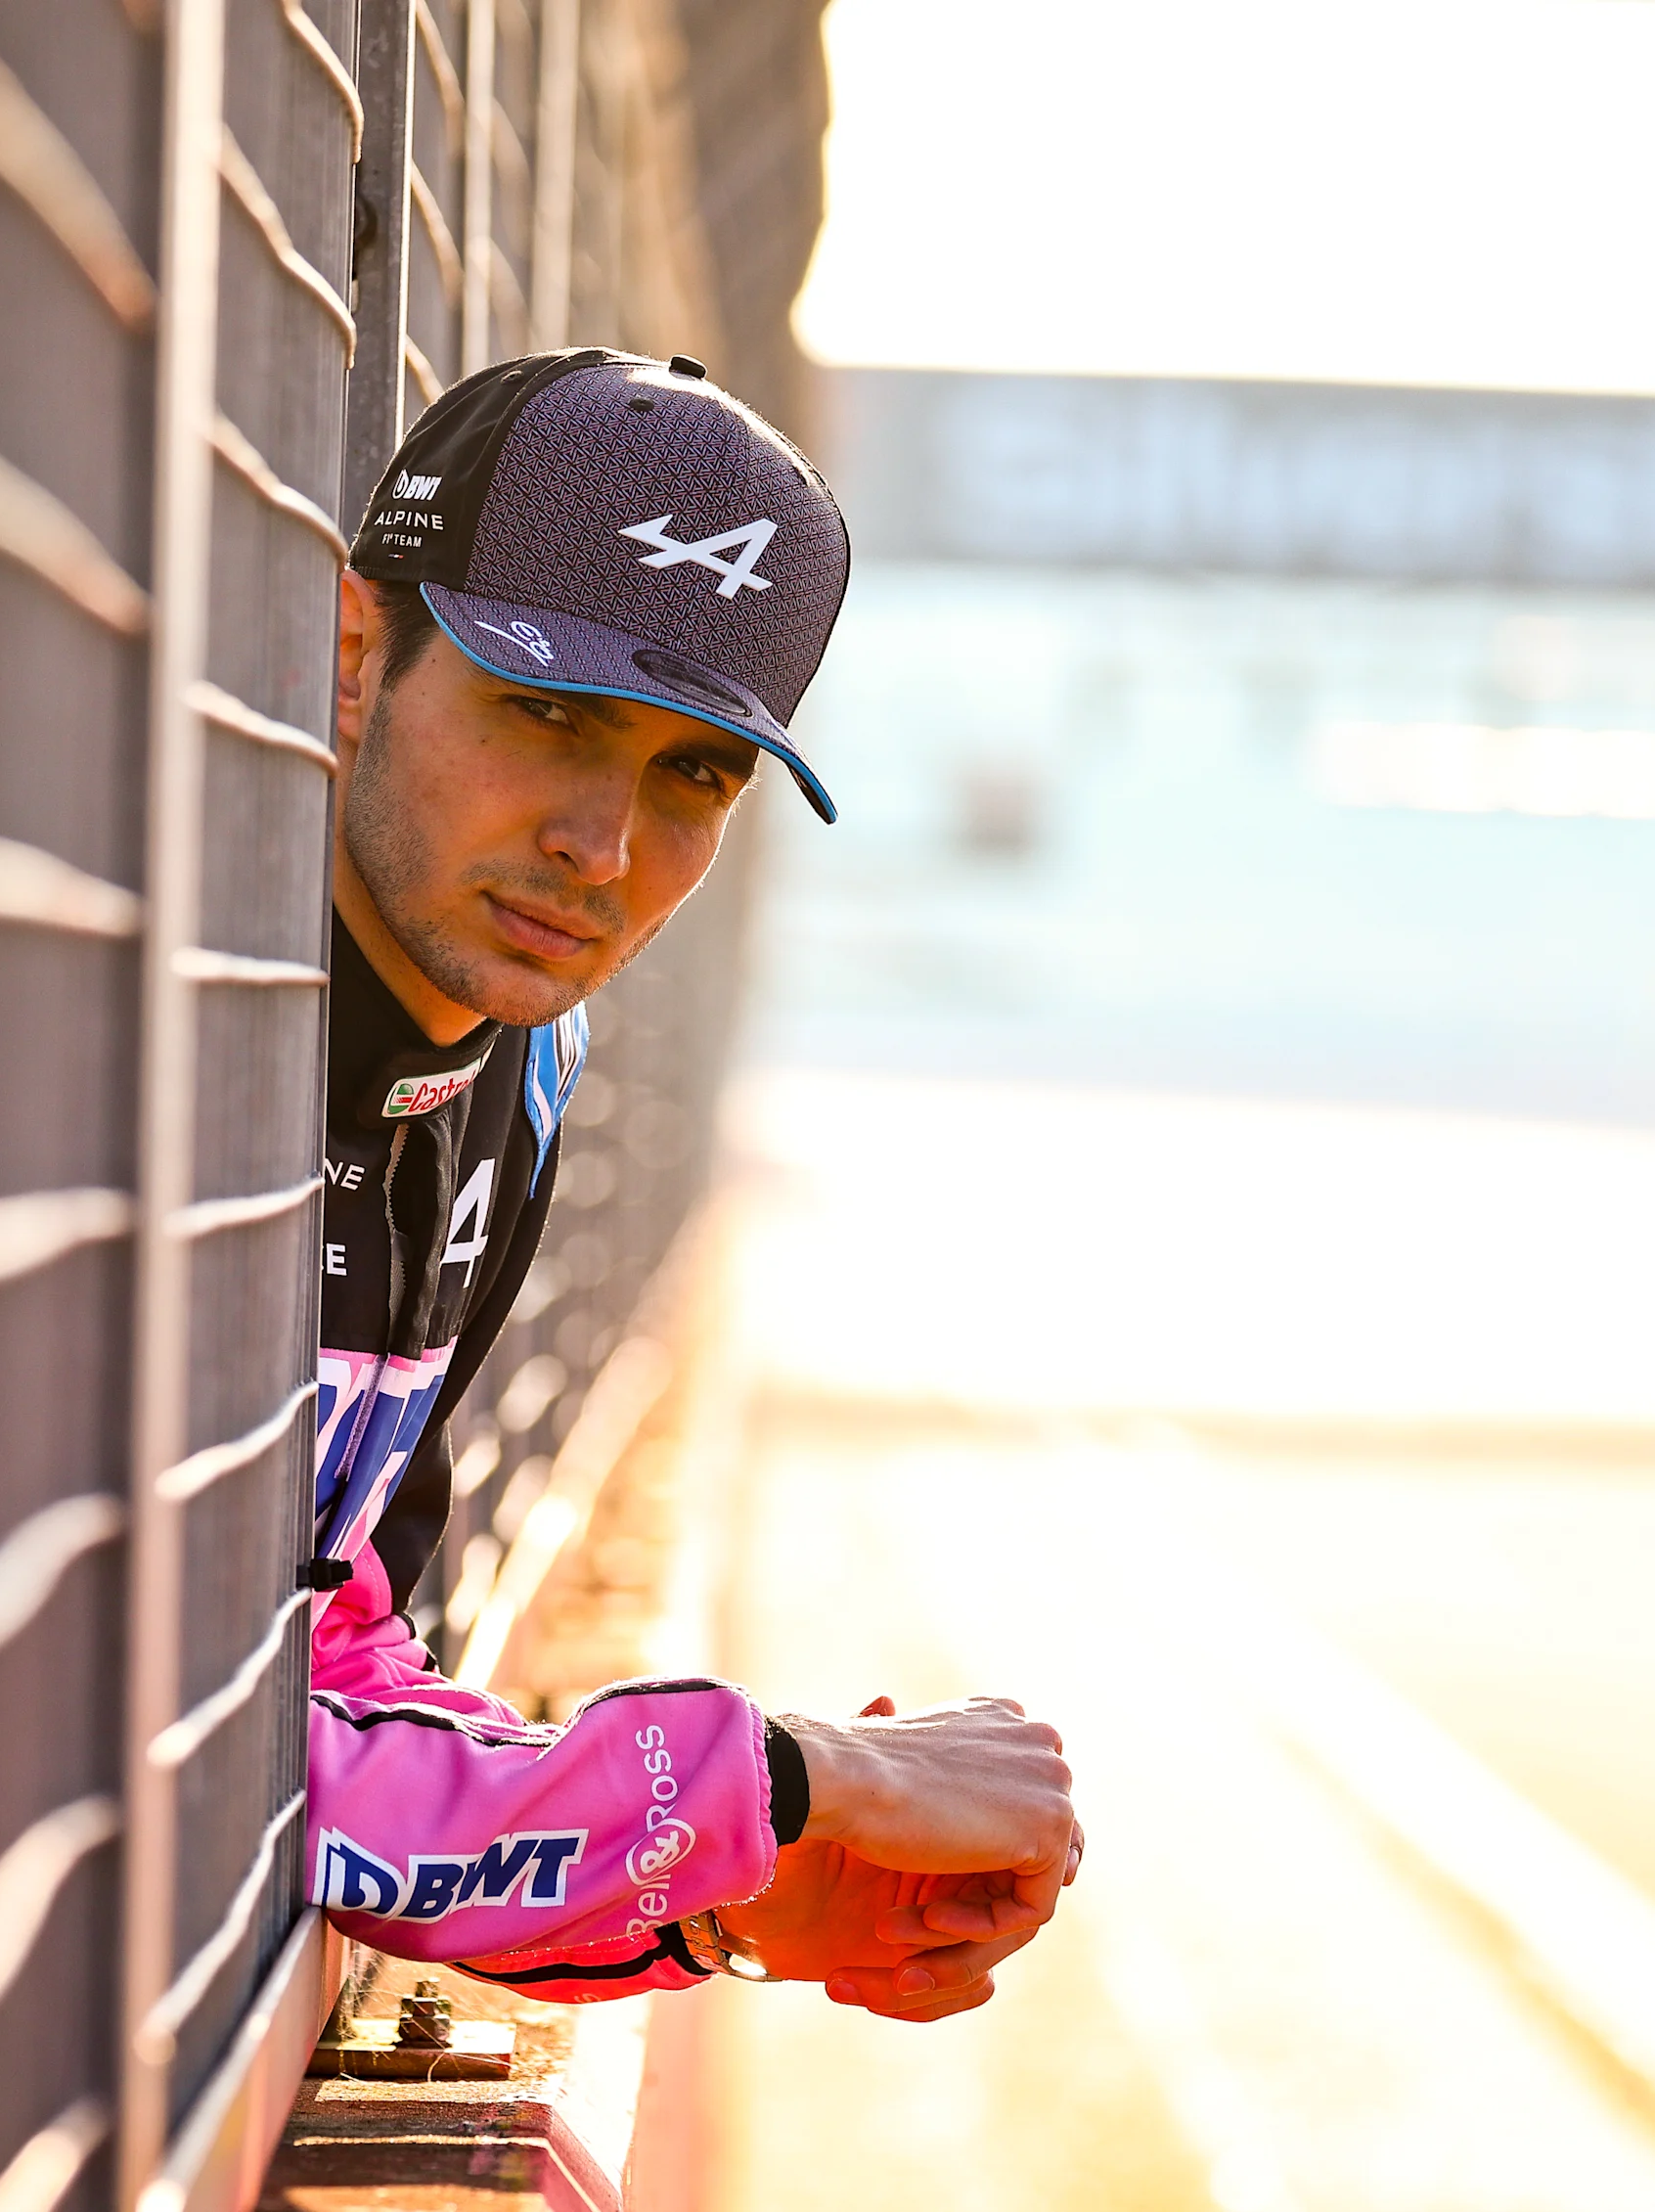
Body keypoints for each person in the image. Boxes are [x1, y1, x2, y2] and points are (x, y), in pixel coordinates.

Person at [304, 347, 1079, 2021]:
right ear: (355, 657)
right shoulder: (144, 1024)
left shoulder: (514, 1074)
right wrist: (776, 1777)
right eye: (548, 712)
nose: (603, 841)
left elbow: (328, 1685)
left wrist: (734, 1895)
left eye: (694, 774)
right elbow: (150, 1725)